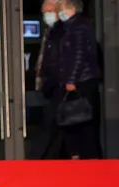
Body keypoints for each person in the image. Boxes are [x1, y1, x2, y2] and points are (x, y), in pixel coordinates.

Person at [30, 0, 101, 160]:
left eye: (50, 10)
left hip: (73, 83)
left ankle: (38, 158)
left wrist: (70, 80)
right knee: (70, 124)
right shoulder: (63, 29)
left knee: (79, 123)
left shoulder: (75, 27)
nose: (46, 15)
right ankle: (75, 156)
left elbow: (77, 56)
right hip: (61, 83)